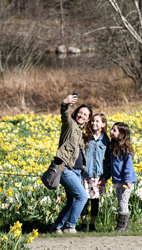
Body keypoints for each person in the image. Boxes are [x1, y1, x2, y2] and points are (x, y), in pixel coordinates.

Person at [49, 94, 92, 234]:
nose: (81, 115)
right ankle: (70, 226)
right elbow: (65, 115)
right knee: (82, 197)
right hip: (66, 169)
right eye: (80, 112)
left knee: (73, 200)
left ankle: (56, 227)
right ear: (76, 113)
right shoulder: (70, 125)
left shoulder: (80, 132)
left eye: (85, 114)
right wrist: (64, 104)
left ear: (88, 119)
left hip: (77, 171)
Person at [103, 122, 137, 232]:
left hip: (127, 181)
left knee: (123, 203)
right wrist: (105, 178)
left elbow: (128, 166)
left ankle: (121, 227)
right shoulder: (112, 147)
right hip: (118, 180)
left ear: (122, 135)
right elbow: (110, 167)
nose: (111, 132)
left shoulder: (126, 149)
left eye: (114, 130)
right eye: (111, 129)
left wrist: (127, 180)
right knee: (120, 202)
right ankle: (124, 228)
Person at [80, 113, 110, 232]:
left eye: (97, 121)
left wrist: (105, 176)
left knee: (95, 201)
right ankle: (83, 224)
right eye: (92, 121)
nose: (94, 123)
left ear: (103, 124)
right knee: (84, 200)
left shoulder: (106, 140)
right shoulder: (86, 137)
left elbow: (107, 160)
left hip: (98, 176)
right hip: (85, 174)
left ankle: (92, 225)